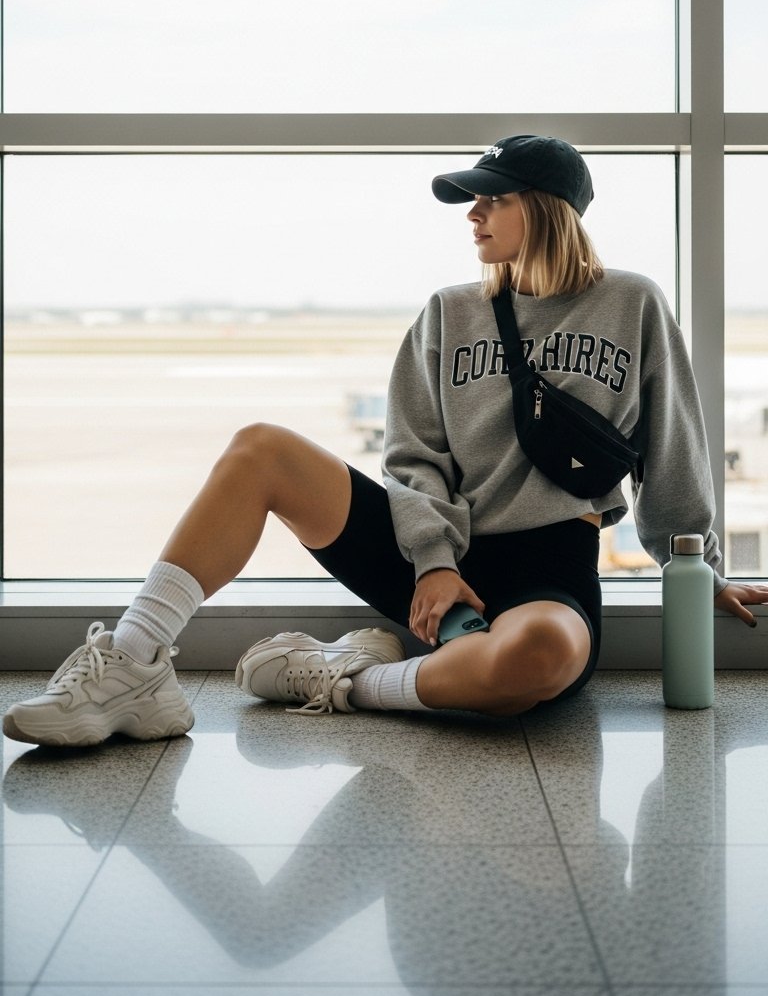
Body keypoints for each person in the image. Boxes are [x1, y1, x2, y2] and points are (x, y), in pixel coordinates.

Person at [5, 134, 767, 747]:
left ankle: (339, 679)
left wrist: (695, 566)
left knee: (535, 667)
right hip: (426, 558)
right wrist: (434, 564)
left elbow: (674, 442)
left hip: (548, 565)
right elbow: (412, 454)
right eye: (471, 201)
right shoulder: (449, 310)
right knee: (260, 446)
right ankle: (133, 667)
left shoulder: (631, 303)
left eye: (492, 199)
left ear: (548, 208)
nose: (472, 215)